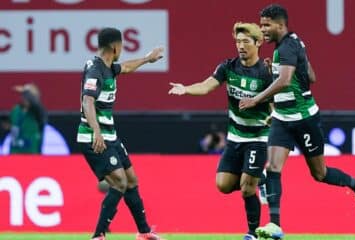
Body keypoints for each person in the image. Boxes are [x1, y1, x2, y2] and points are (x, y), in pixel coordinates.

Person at [239, 4, 355, 239]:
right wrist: (278, 70)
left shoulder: (288, 46)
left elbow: (286, 81)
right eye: (261, 25)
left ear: (280, 25)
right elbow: (311, 76)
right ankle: (275, 225)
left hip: (305, 119)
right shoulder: (292, 45)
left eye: (267, 25)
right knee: (274, 168)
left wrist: (256, 99)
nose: (263, 30)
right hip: (282, 119)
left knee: (320, 174)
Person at [169, 22, 273, 240]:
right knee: (223, 185)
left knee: (246, 189)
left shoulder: (266, 72)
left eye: (246, 41)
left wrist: (274, 116)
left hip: (258, 137)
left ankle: (253, 233)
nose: (241, 46)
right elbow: (206, 86)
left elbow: (276, 102)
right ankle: (258, 179)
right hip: (235, 137)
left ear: (258, 42)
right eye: (238, 41)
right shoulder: (228, 67)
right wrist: (186, 89)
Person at [77, 27, 164, 240]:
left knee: (131, 180)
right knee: (119, 183)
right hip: (93, 136)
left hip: (110, 135)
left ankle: (144, 233)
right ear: (115, 47)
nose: (122, 50)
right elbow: (87, 101)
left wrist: (146, 59)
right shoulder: (95, 70)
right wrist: (96, 132)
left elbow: (125, 67)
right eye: (122, 45)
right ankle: (98, 235)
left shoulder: (108, 67)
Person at [9, 83, 47, 154]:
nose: (24, 97)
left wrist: (27, 91)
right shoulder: (16, 110)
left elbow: (36, 106)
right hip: (15, 152)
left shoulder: (37, 112)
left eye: (27, 95)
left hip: (31, 153)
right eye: (23, 95)